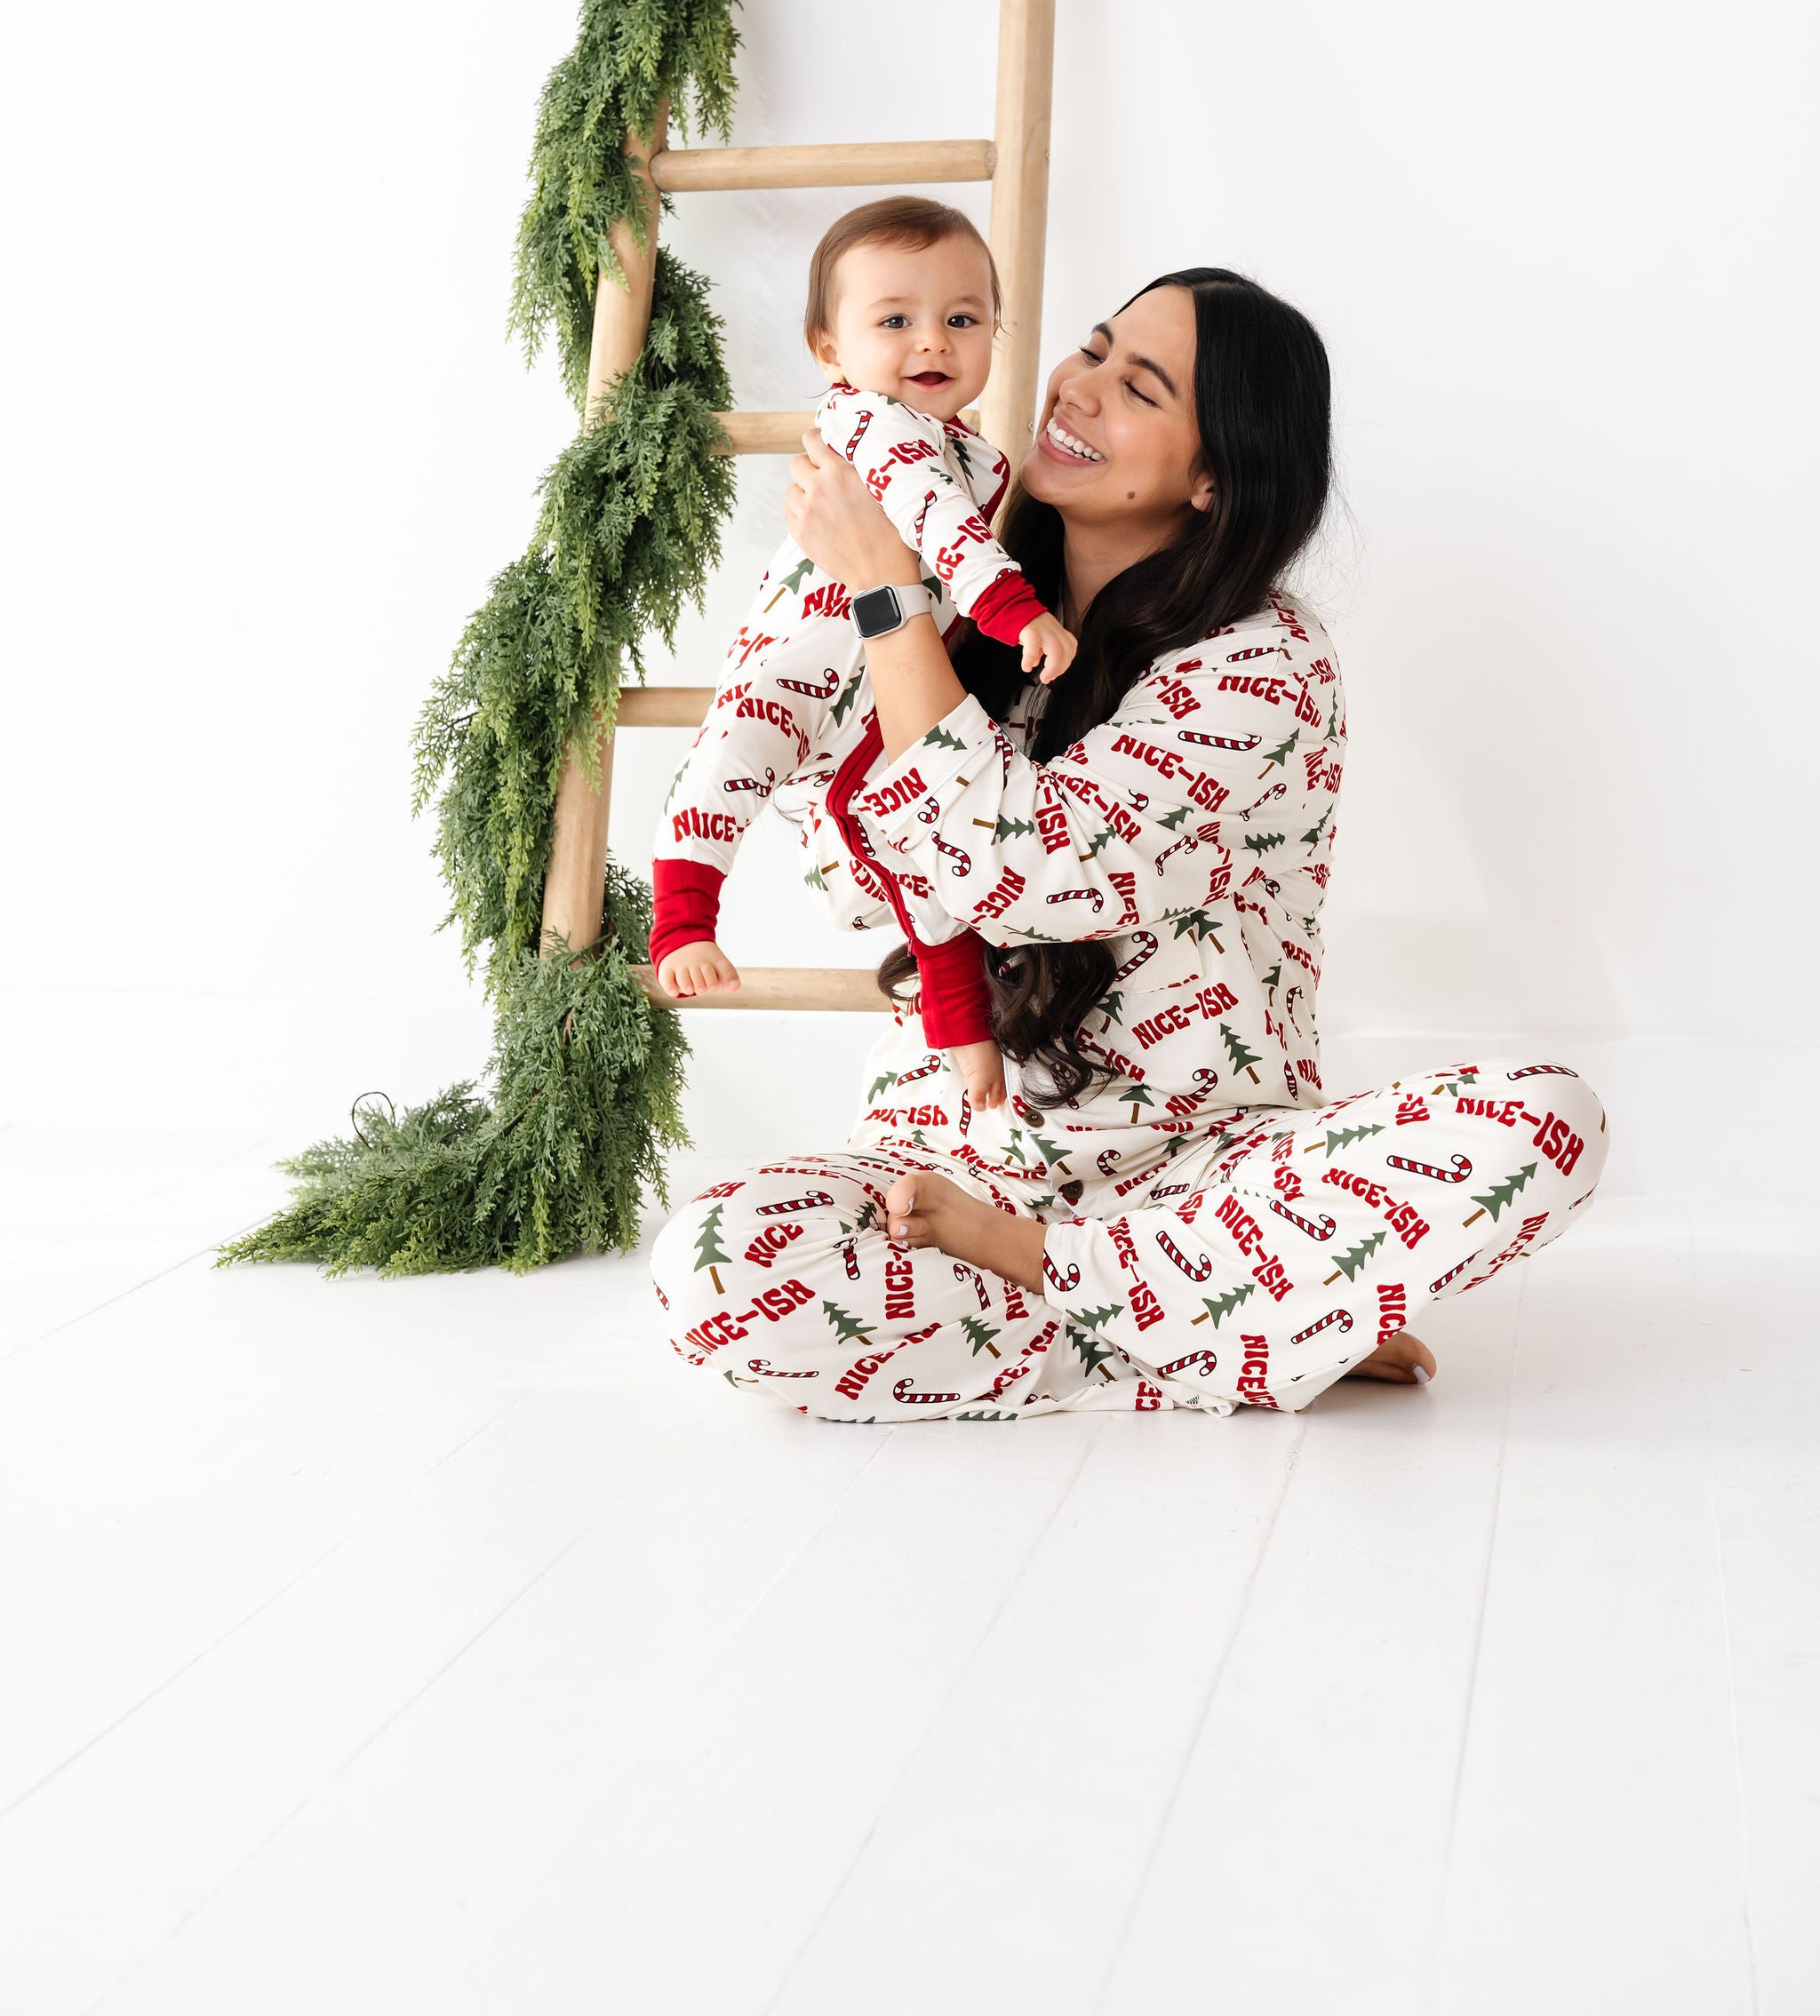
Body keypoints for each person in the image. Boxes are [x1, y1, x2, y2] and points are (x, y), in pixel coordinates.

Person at [649, 267, 1608, 1419]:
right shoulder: (964, 597)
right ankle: (1226, 1324)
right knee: (705, 1264)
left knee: (1544, 1122)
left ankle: (1079, 1284)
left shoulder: (1266, 667)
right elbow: (850, 881)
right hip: (947, 1173)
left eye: (1138, 384)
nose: (1079, 388)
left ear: (1214, 476)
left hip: (1197, 1175)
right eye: (1093, 349)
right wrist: (883, 601)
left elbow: (1016, 875)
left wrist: (890, 604)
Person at [649, 195, 1074, 1116]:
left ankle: (968, 1053)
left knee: (933, 880)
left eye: (962, 319)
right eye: (895, 321)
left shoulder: (970, 449)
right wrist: (1014, 610)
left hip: (876, 700)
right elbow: (941, 528)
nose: (932, 342)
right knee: (729, 759)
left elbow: (945, 521)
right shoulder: (876, 426)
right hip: (801, 669)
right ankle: (683, 918)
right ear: (829, 351)